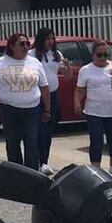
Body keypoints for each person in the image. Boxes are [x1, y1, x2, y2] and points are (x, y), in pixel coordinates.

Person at [0, 33, 50, 170]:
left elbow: (44, 87)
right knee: (12, 143)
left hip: (31, 109)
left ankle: (32, 174)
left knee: (31, 142)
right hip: (8, 109)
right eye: (21, 44)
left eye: (27, 44)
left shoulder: (35, 63)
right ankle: (16, 174)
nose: (26, 47)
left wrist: (47, 109)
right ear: (11, 46)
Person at [75, 40, 112, 179]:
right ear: (93, 55)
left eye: (105, 54)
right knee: (96, 141)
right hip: (94, 112)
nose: (103, 58)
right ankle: (95, 168)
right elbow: (80, 89)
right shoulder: (86, 70)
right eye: (99, 55)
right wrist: (77, 102)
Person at [33, 28, 69, 174]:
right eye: (47, 39)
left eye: (52, 39)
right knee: (38, 130)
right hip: (37, 96)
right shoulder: (32, 55)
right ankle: (35, 160)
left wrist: (66, 67)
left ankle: (44, 161)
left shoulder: (56, 55)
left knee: (48, 131)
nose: (50, 42)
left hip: (53, 95)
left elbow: (66, 75)